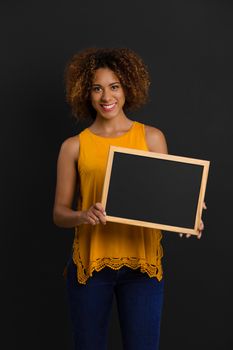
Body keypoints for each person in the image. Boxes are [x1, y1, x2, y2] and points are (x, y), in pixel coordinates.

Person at [53, 47, 205, 350]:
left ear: (127, 88)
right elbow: (59, 213)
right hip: (90, 267)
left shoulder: (151, 138)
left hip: (142, 266)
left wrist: (187, 212)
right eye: (97, 88)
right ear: (86, 91)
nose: (106, 97)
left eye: (114, 86)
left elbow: (166, 197)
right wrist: (83, 215)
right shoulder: (73, 146)